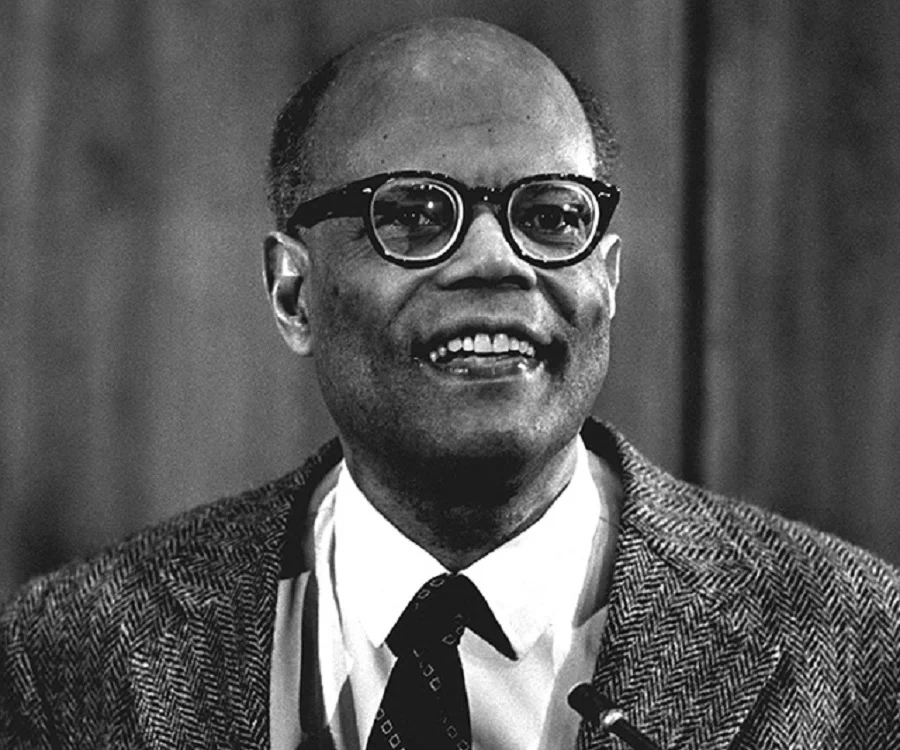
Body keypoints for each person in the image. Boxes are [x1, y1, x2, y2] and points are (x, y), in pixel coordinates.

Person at [2, 16, 899, 750]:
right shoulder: (73, 653)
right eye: (414, 214)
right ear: (292, 292)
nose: (496, 261)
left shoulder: (860, 651)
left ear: (609, 280)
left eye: (552, 216)